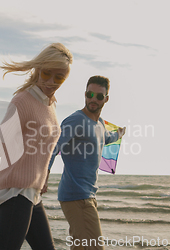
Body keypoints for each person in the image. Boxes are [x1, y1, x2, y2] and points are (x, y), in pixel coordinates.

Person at [0, 43, 73, 250]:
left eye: (59, 77)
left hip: (31, 194)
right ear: (38, 69)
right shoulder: (23, 101)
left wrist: (41, 179)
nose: (51, 82)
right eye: (47, 73)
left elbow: (41, 148)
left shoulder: (50, 104)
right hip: (16, 194)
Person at [46, 75, 126, 250]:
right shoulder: (76, 120)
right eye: (90, 94)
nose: (93, 99)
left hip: (88, 195)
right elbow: (54, 146)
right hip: (77, 196)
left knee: (80, 246)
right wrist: (44, 175)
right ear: (85, 94)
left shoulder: (100, 124)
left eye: (99, 96)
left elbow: (107, 138)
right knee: (95, 247)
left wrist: (119, 134)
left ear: (106, 99)